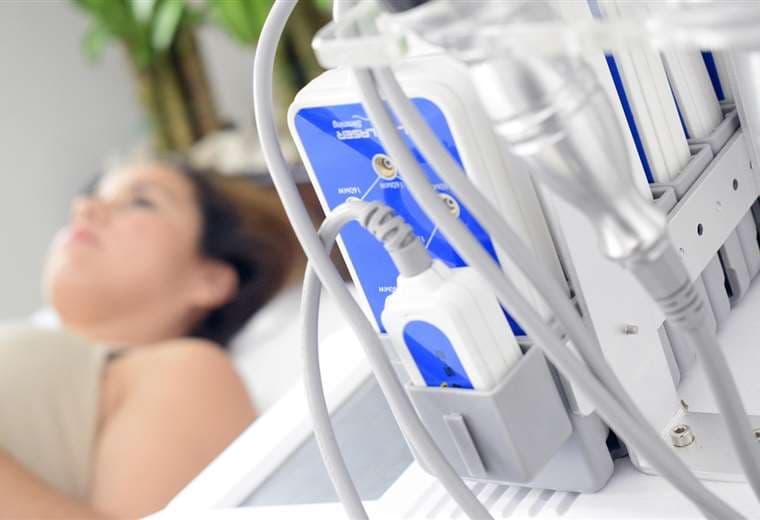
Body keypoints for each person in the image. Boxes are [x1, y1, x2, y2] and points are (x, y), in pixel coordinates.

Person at [0, 158, 299, 518]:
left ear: (210, 279)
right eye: (95, 196)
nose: (84, 207)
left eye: (140, 202)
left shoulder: (187, 370)